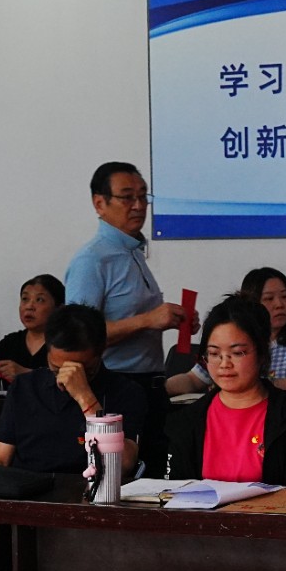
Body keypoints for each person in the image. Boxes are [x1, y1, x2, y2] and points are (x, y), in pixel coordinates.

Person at [64, 161, 187, 469]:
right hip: (115, 387)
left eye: (143, 196)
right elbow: (78, 338)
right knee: (124, 476)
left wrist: (170, 320)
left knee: (156, 472)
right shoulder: (92, 260)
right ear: (99, 203)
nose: (138, 205)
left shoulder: (131, 252)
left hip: (151, 384)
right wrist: (148, 320)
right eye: (127, 197)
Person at [166, 296, 286, 487]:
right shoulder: (187, 421)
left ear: (262, 354)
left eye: (238, 353)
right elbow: (175, 491)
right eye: (214, 353)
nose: (224, 364)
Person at [0, 303, 146, 476]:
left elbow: (123, 465)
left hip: (88, 487)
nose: (66, 377)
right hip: (28, 486)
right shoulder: (25, 387)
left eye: (81, 369)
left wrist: (85, 396)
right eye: (57, 368)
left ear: (100, 353)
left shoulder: (126, 392)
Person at [165, 267, 286, 397]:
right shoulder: (232, 337)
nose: (279, 304)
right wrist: (161, 389)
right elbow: (193, 379)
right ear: (252, 304)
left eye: (285, 297)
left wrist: (254, 385)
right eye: (269, 299)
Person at [0, 274, 64, 393]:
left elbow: (70, 383)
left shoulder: (67, 343)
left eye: (39, 300)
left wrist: (26, 374)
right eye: (25, 299)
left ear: (59, 308)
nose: (29, 306)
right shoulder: (11, 343)